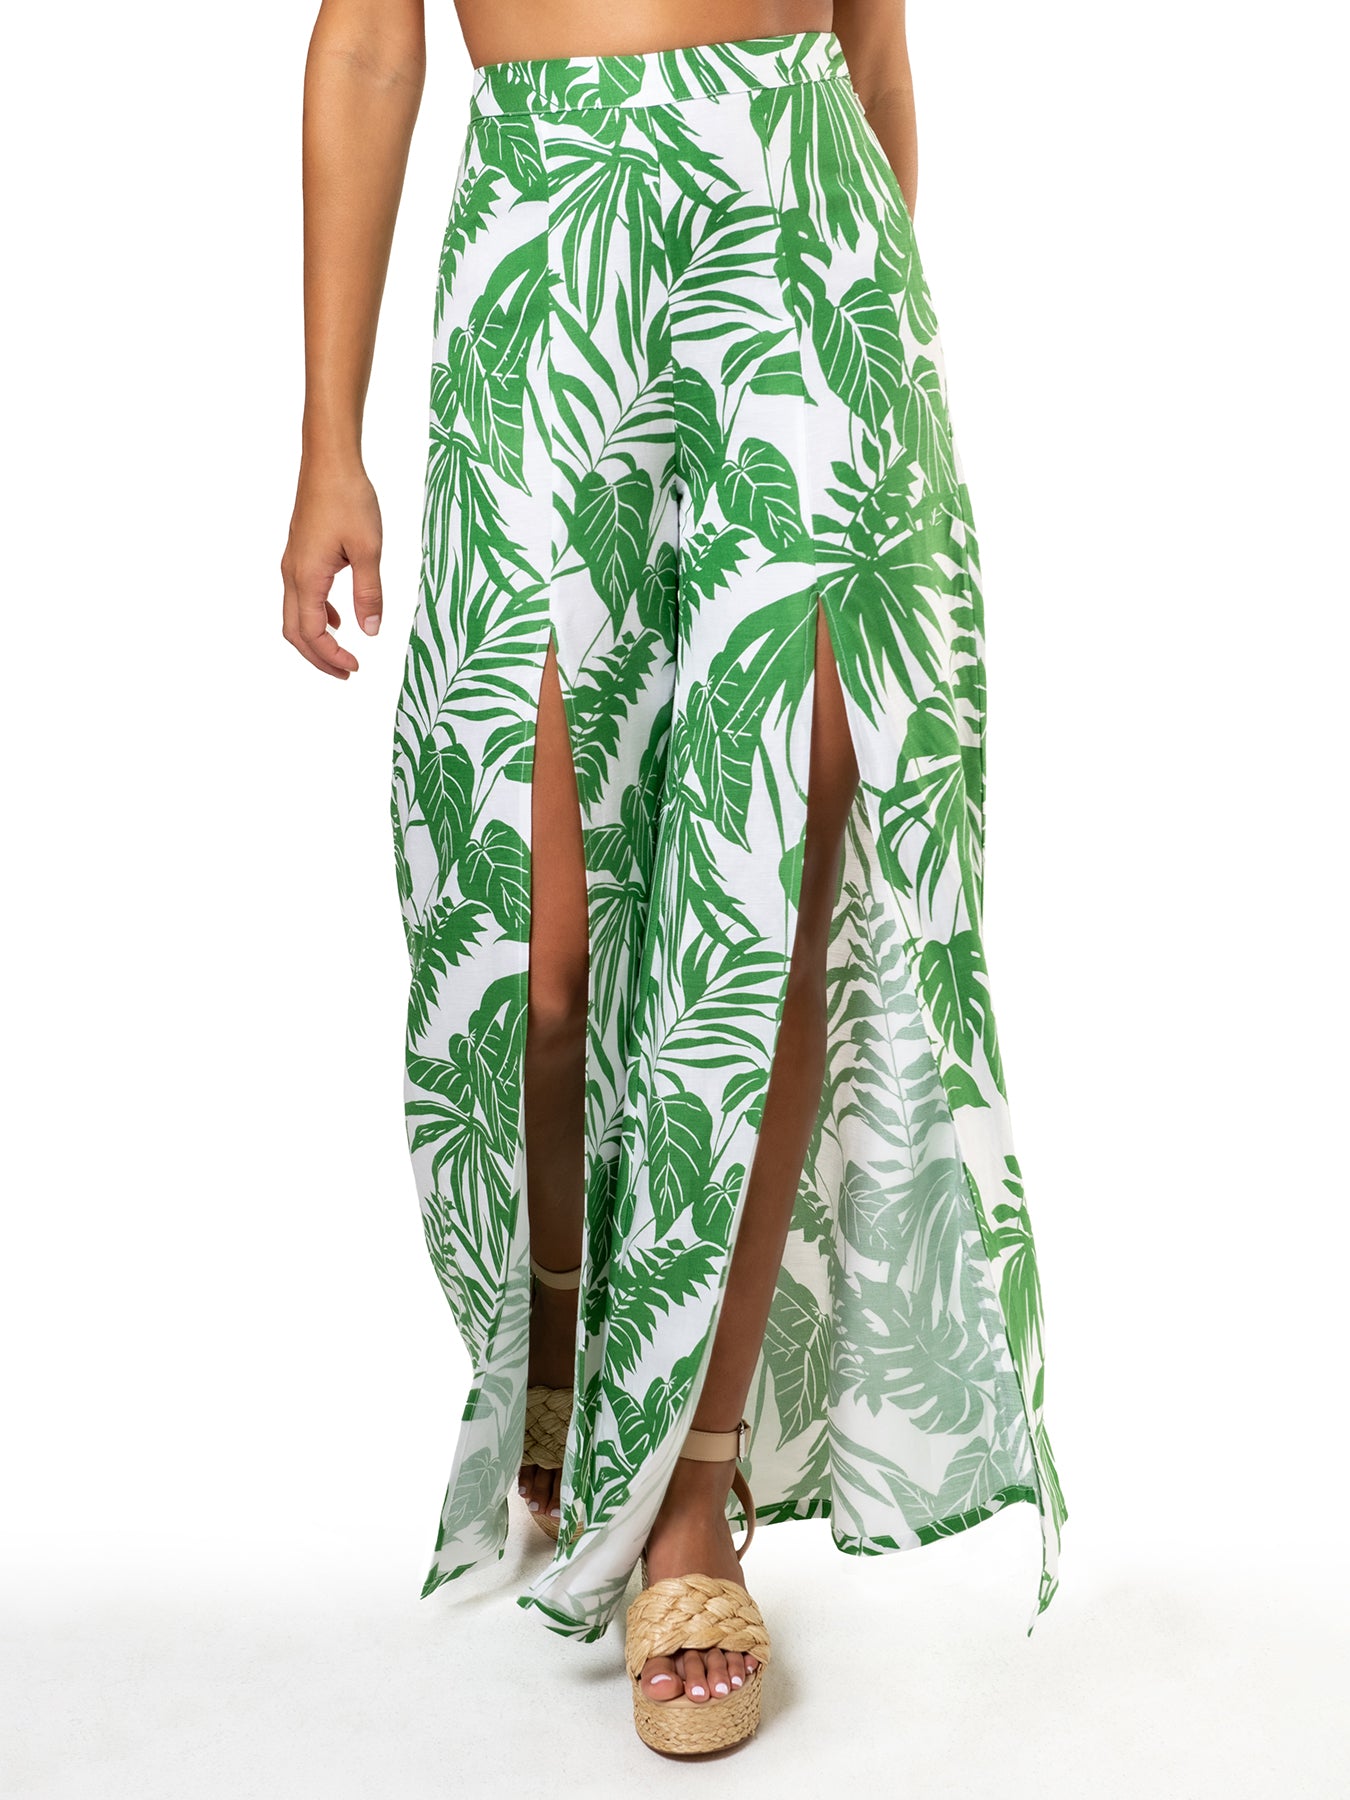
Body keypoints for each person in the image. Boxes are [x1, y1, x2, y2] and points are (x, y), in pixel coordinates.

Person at [281, 0, 1066, 1755]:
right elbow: (367, 46)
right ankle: (569, 1348)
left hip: (808, 250)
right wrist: (330, 437)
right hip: (551, 242)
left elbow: (872, 48)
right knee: (542, 948)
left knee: (773, 871)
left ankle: (696, 1495)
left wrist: (871, 368)